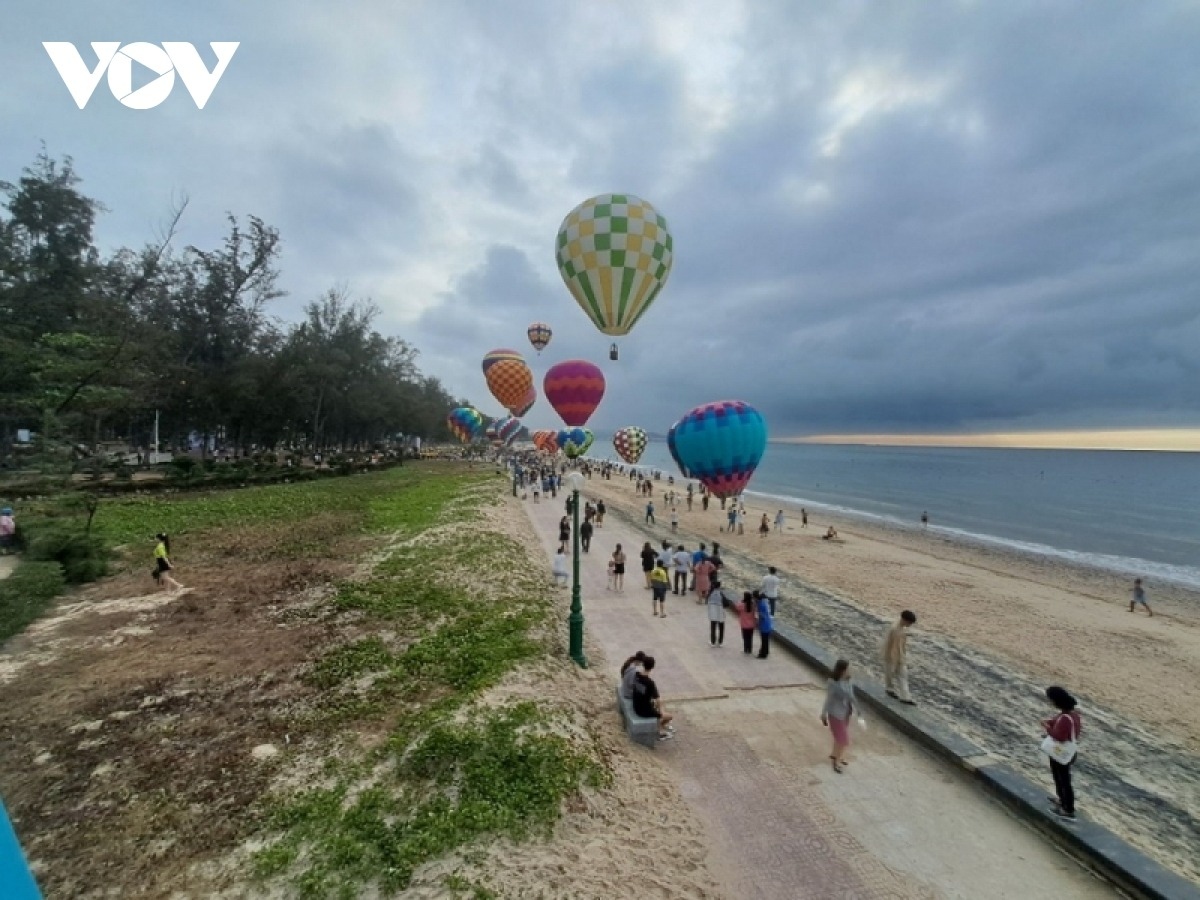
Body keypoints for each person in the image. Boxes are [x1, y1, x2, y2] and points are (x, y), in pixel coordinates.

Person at [1042, 686, 1082, 821]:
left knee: (1063, 780)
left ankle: (1068, 809)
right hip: (1067, 752)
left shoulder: (1065, 717)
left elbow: (1059, 737)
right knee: (1061, 777)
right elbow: (1058, 722)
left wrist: (1048, 728)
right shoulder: (1073, 715)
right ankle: (1061, 800)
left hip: (1061, 753)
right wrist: (1051, 723)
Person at [821, 659, 857, 773]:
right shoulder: (833, 683)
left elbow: (851, 696)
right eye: (848, 669)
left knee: (839, 737)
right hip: (835, 714)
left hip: (846, 712)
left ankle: (836, 755)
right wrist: (823, 713)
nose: (851, 670)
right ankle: (836, 761)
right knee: (843, 739)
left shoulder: (848, 681)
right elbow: (829, 699)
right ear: (843, 670)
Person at [630, 656, 674, 740]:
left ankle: (660, 720)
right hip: (644, 711)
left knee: (659, 704)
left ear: (643, 665)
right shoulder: (650, 683)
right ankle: (660, 730)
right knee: (669, 716)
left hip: (636, 705)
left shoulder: (636, 675)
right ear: (652, 667)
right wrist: (661, 712)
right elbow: (658, 699)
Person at [882, 611, 917, 704]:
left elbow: (902, 644)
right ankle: (890, 689)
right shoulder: (894, 629)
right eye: (909, 623)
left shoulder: (902, 629)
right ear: (905, 620)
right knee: (890, 674)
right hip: (892, 656)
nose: (910, 625)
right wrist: (889, 657)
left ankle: (905, 697)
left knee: (902, 675)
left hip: (900, 656)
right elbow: (889, 644)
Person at [706, 579, 730, 647]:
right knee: (721, 628)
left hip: (712, 613)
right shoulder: (721, 594)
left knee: (713, 627)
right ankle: (720, 642)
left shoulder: (710, 593)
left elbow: (707, 601)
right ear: (719, 586)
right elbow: (727, 604)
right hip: (720, 613)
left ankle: (713, 642)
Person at [755, 591, 773, 659]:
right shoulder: (765, 603)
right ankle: (766, 651)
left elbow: (762, 616)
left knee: (764, 640)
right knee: (766, 640)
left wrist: (758, 623)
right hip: (768, 624)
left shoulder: (761, 605)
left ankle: (763, 654)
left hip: (764, 625)